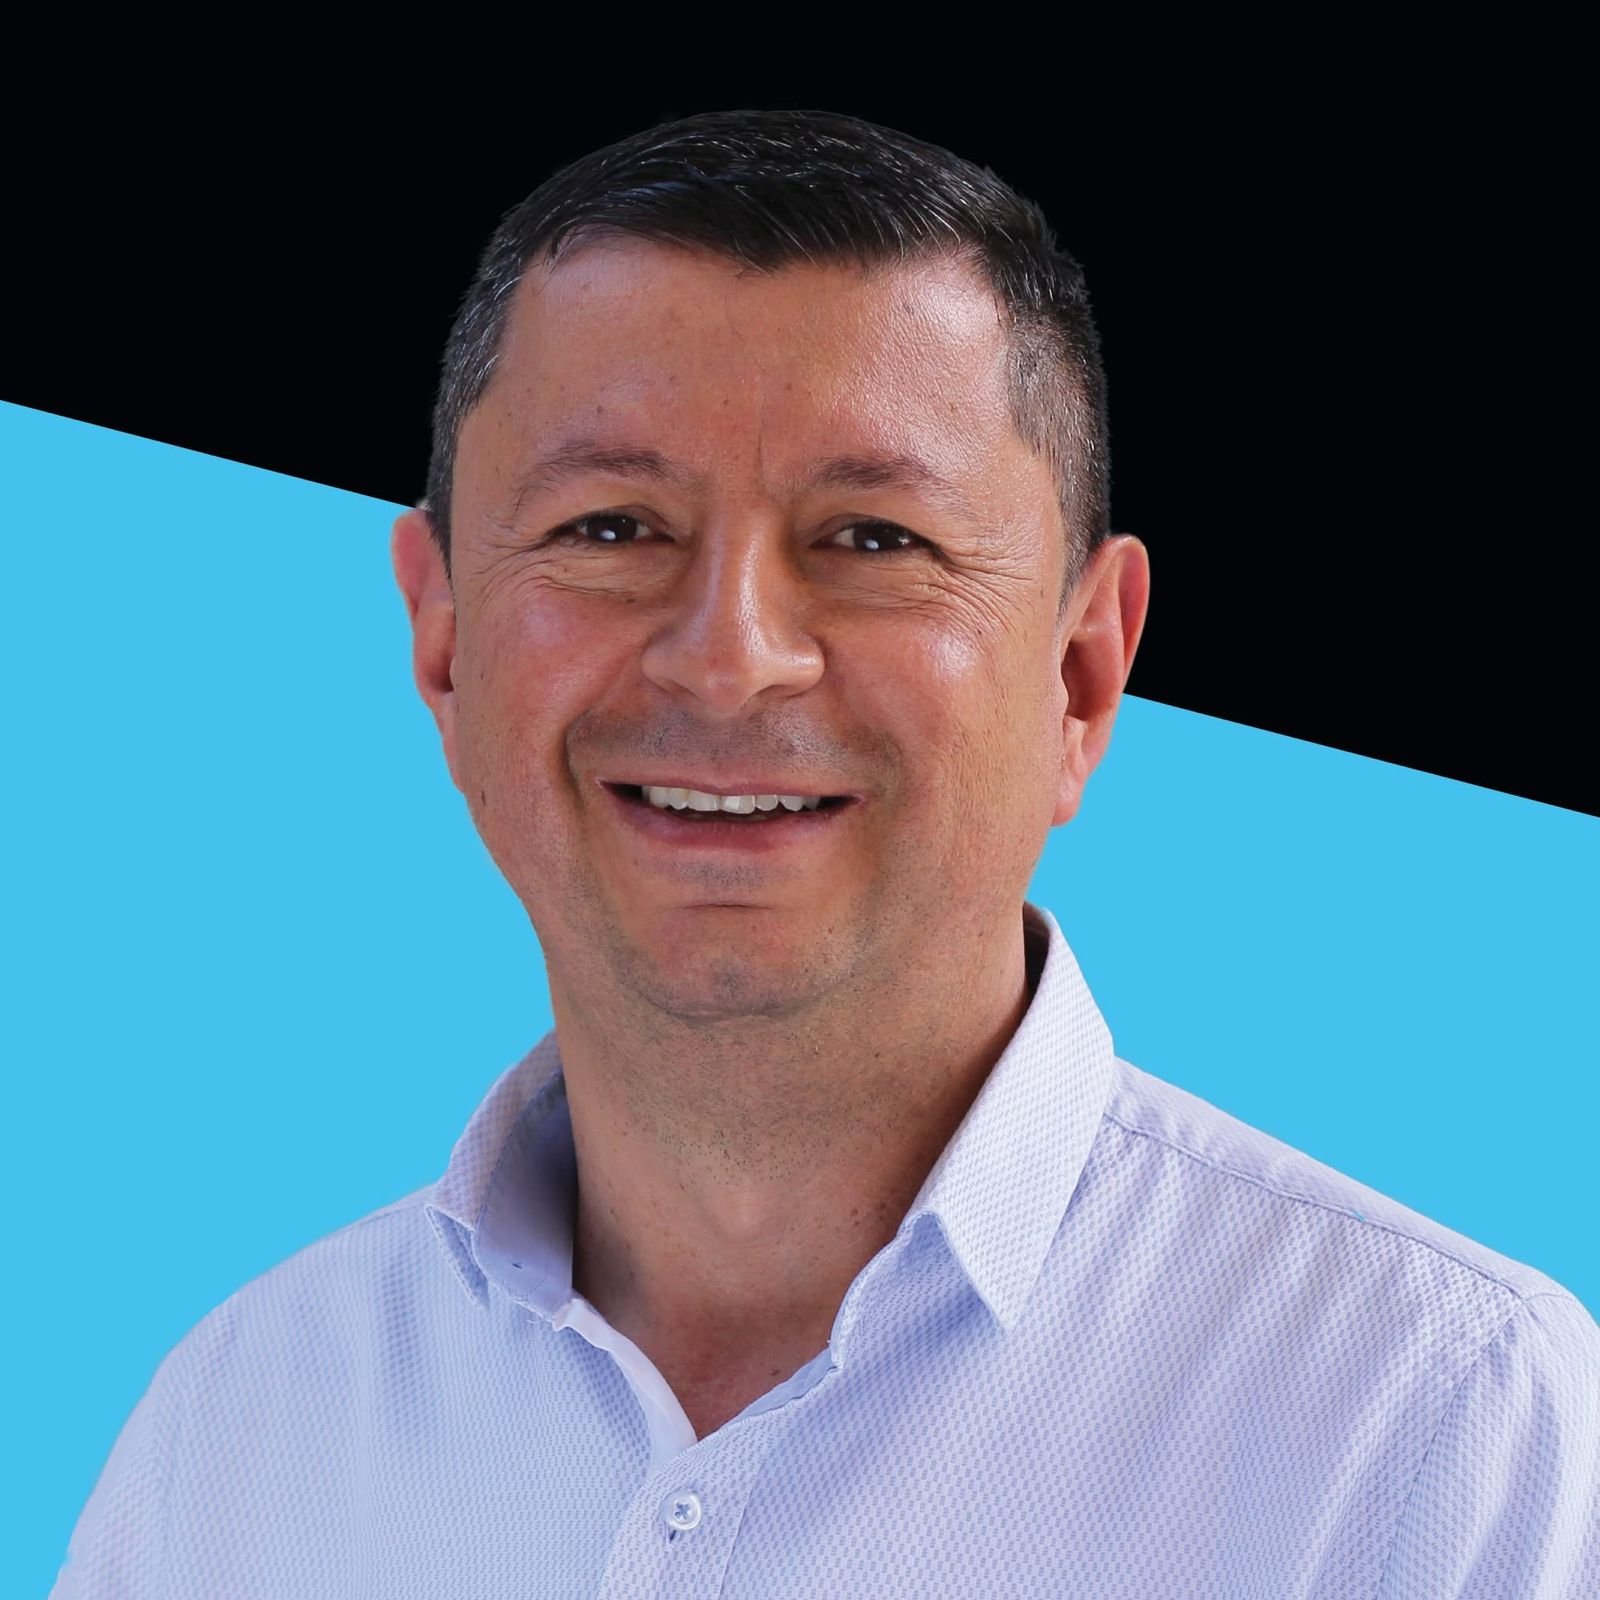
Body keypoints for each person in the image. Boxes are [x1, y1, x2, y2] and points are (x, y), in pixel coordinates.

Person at [53, 107, 1597, 1599]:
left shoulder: (1447, 1433)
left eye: (874, 539)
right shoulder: (233, 1435)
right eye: (610, 528)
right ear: (444, 642)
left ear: (1080, 678)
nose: (730, 660)